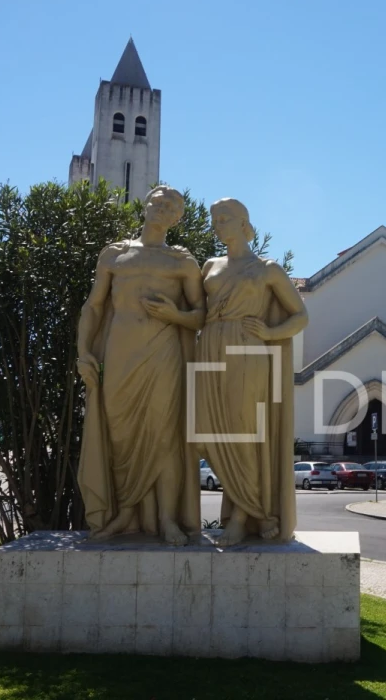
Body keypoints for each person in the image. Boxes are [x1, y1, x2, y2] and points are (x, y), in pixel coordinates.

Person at [76, 185, 205, 544]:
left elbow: (200, 317)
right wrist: (83, 351)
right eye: (158, 204)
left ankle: (166, 519)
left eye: (171, 208)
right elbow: (94, 306)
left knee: (163, 436)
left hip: (163, 354)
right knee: (120, 436)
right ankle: (125, 515)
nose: (162, 211)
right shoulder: (115, 254)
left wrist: (174, 315)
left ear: (177, 219)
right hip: (118, 354)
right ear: (146, 206)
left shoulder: (182, 261)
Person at [197, 198, 308, 547]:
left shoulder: (267, 269)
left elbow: (300, 316)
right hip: (210, 350)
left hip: (247, 350)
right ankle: (252, 510)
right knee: (210, 434)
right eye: (214, 219)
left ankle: (244, 515)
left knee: (243, 434)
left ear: (243, 222)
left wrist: (271, 334)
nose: (217, 224)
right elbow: (197, 311)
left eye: (224, 218)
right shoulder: (209, 266)